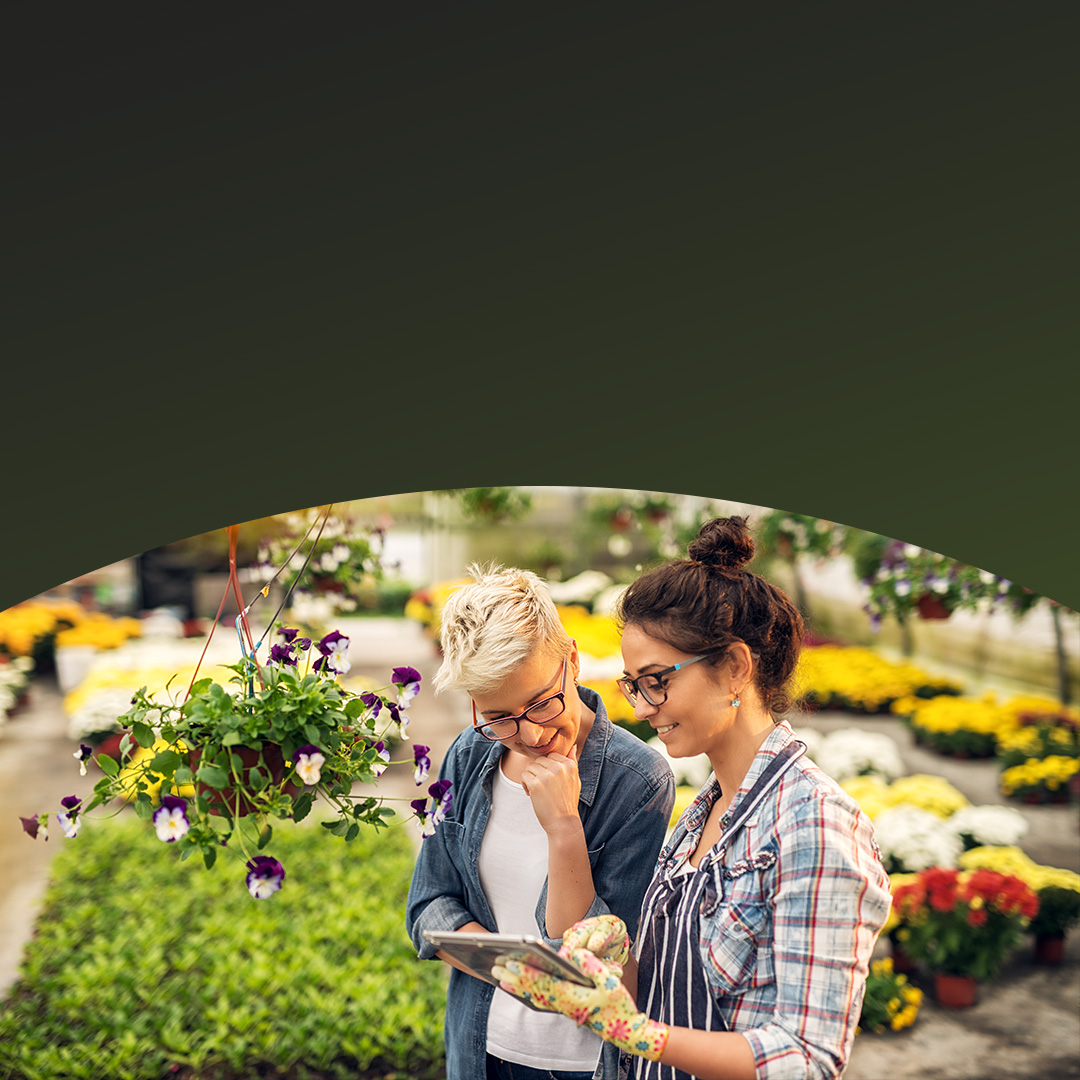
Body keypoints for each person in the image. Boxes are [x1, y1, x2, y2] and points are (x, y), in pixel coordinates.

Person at [493, 518, 892, 1080]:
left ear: (734, 668)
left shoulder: (815, 825)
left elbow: (807, 1056)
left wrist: (636, 1034)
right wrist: (607, 962)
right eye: (633, 684)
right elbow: (657, 995)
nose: (640, 707)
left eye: (657, 680)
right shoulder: (701, 815)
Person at [406, 564, 677, 1080]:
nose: (529, 735)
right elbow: (428, 904)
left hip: (577, 1064)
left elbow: (593, 963)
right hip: (478, 1047)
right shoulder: (469, 755)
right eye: (499, 716)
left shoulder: (638, 781)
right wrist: (512, 973)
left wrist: (564, 829)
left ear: (572, 660)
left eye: (540, 704)